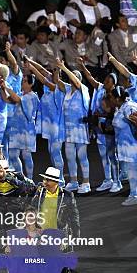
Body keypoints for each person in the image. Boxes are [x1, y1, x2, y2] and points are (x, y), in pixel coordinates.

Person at [79, 62, 122, 193]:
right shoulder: (101, 88)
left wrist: (101, 114)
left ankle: (117, 182)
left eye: (108, 81)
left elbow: (114, 112)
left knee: (112, 156)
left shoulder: (116, 95)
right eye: (105, 80)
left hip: (110, 129)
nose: (105, 82)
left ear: (113, 83)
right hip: (99, 128)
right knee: (103, 156)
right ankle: (108, 180)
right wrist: (82, 67)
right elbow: (91, 79)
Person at [54, 58, 91, 193]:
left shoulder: (83, 89)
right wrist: (58, 68)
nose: (72, 79)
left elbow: (76, 81)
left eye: (74, 76)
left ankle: (86, 183)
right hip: (68, 130)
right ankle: (74, 181)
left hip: (80, 129)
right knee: (70, 156)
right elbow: (57, 81)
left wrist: (64, 67)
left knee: (82, 157)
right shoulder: (68, 90)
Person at [109, 87, 137, 206]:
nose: (111, 100)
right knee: (133, 169)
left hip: (132, 144)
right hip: (126, 144)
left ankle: (134, 195)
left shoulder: (129, 107)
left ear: (118, 98)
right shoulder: (122, 107)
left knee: (132, 170)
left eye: (112, 98)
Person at [3, 73, 40, 179]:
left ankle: (30, 179)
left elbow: (17, 99)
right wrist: (2, 88)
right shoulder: (21, 94)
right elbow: (7, 99)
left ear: (30, 84)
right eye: (22, 81)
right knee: (13, 155)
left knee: (26, 156)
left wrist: (6, 87)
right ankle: (21, 179)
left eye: (24, 81)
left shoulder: (32, 96)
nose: (22, 83)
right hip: (16, 129)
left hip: (27, 130)